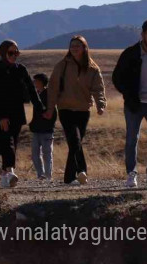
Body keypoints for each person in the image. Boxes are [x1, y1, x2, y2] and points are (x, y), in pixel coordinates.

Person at [112, 19, 147, 188]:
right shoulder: (130, 54)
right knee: (131, 139)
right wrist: (129, 95)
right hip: (134, 105)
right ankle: (132, 174)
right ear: (143, 35)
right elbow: (117, 78)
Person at [45, 35, 107, 185]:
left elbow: (98, 88)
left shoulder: (92, 68)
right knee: (75, 141)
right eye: (72, 46)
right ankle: (76, 174)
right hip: (65, 109)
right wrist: (50, 108)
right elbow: (52, 88)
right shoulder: (62, 65)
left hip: (83, 110)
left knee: (75, 144)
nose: (74, 48)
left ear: (84, 48)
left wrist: (101, 104)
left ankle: (75, 175)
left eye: (77, 46)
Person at [0, 41, 43, 188]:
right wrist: (1, 116)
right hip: (1, 114)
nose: (14, 56)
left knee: (13, 143)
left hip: (17, 112)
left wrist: (39, 106)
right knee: (7, 143)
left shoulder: (21, 69)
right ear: (3, 53)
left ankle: (6, 176)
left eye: (16, 53)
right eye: (11, 53)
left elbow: (31, 89)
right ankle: (11, 172)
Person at [30, 74, 57, 181]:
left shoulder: (48, 94)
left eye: (36, 81)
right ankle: (40, 175)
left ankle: (48, 176)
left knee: (47, 154)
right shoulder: (36, 94)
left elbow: (53, 112)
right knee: (35, 154)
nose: (34, 82)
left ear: (41, 82)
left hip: (46, 130)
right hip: (36, 130)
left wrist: (49, 122)